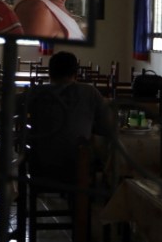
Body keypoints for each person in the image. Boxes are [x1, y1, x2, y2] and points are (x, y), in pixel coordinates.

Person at [22, 51, 111, 183]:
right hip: (77, 164)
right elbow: (106, 127)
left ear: (49, 72)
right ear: (76, 73)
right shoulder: (90, 92)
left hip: (40, 162)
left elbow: (12, 114)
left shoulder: (35, 92)